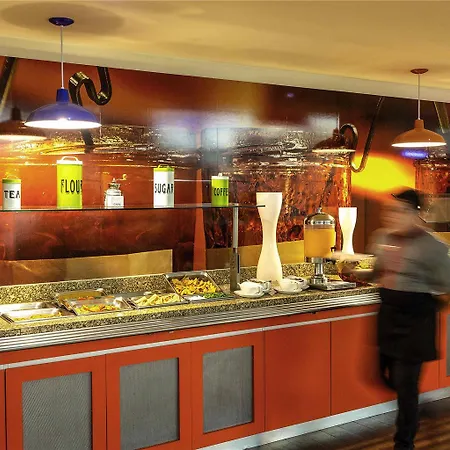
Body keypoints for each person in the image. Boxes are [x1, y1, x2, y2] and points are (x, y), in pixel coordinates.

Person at [356, 189, 450, 450]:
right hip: (388, 315)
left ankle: (404, 441)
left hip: (416, 320)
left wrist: (427, 310)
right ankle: (414, 410)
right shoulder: (381, 237)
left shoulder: (434, 247)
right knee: (378, 376)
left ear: (415, 214)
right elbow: (378, 271)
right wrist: (356, 274)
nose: (391, 216)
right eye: (389, 211)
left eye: (398, 211)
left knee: (406, 386)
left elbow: (446, 287)